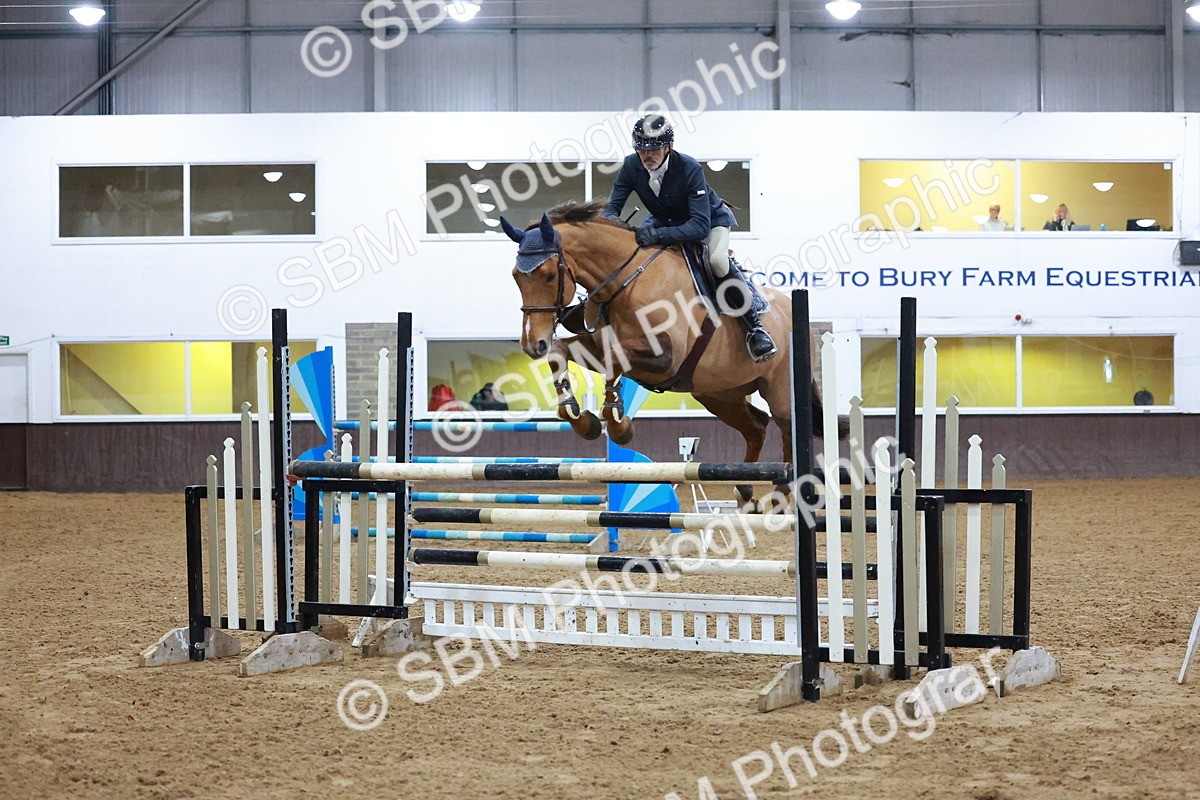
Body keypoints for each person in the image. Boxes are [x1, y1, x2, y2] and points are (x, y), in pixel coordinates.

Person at [601, 114, 777, 363]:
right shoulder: (632, 165)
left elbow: (699, 227)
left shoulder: (689, 167)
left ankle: (755, 329)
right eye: (642, 150)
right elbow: (613, 207)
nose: (647, 156)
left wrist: (658, 234)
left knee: (717, 262)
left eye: (654, 150)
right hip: (665, 220)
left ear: (668, 146)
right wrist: (610, 226)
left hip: (709, 221)